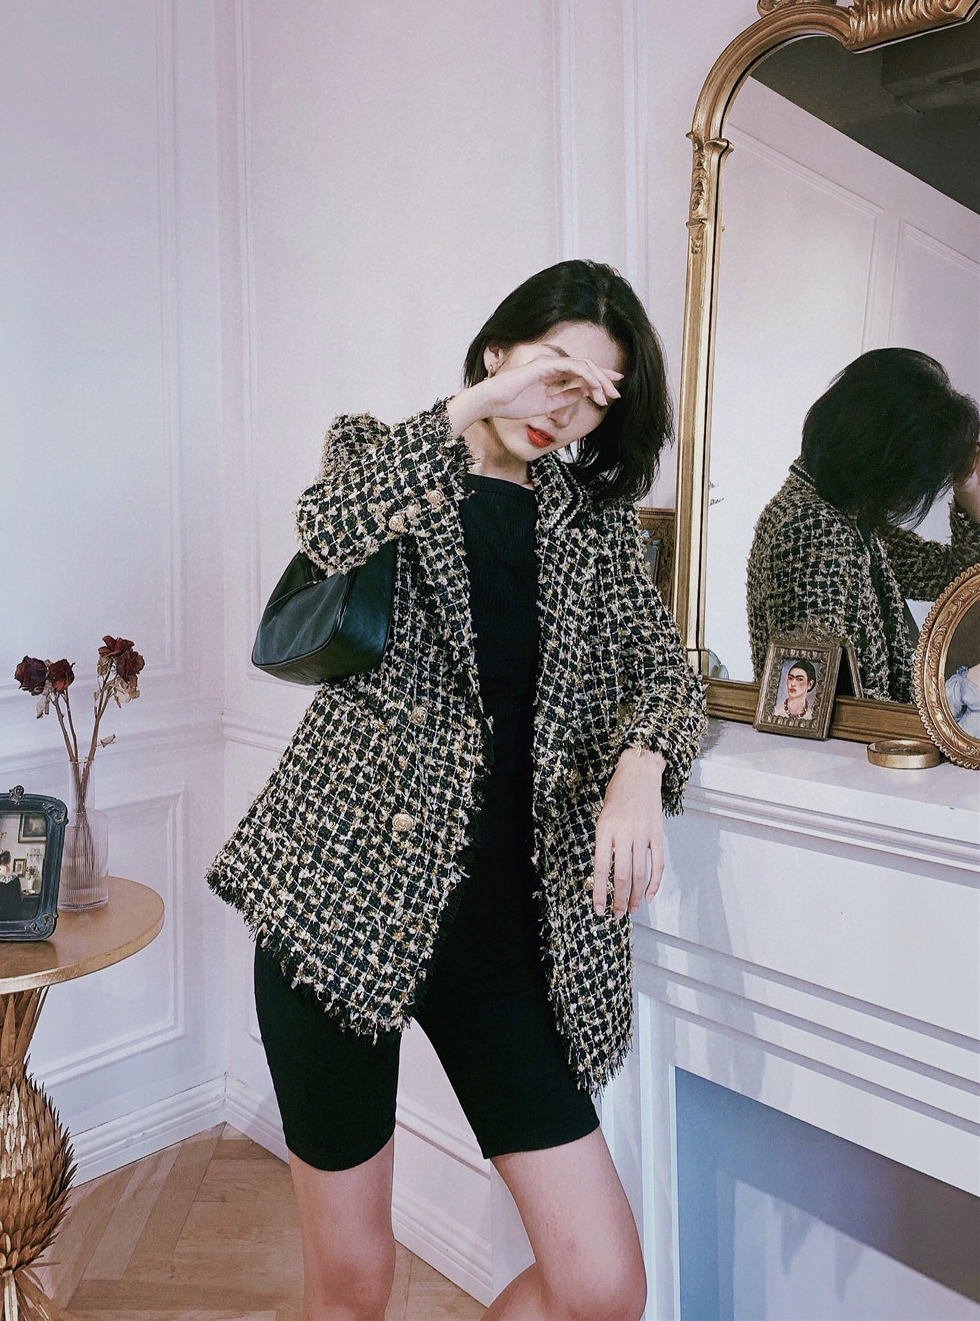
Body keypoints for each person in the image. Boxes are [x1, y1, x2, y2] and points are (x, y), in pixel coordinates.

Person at [207, 259, 707, 1321]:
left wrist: (639, 766)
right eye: (552, 369)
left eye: (592, 396)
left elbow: (669, 677)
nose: (560, 409)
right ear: (498, 350)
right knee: (353, 1282)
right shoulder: (386, 456)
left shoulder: (598, 534)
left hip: (506, 940)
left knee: (602, 1284)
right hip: (341, 908)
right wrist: (473, 408)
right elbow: (327, 528)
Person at [746, 349, 980, 702]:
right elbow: (811, 706)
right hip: (853, 738)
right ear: (886, 459)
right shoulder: (813, 528)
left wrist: (970, 492)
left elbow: (956, 578)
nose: (913, 496)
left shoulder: (843, 515)